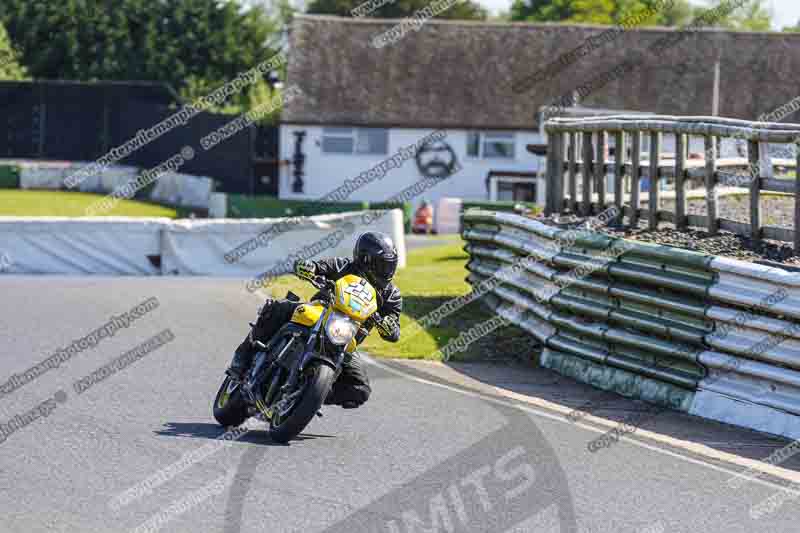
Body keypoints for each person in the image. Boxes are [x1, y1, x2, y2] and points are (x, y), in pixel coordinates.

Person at [226, 231, 402, 408]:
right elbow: (319, 267)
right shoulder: (343, 267)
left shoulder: (392, 295)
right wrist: (308, 268)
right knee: (278, 308)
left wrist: (391, 327)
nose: (387, 270)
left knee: (360, 389)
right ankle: (243, 355)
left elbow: (395, 328)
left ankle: (305, 395)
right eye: (382, 265)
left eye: (390, 265)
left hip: (345, 340)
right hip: (318, 313)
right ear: (365, 260)